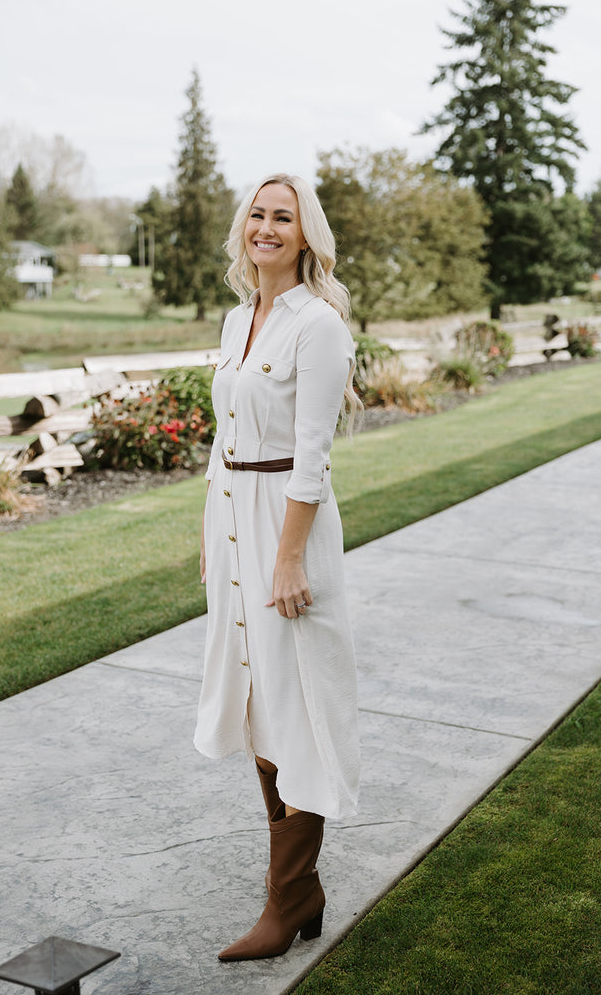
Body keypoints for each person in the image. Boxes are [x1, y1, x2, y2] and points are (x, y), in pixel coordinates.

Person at [194, 172, 360, 961]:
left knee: (296, 704)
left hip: (286, 528)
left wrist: (288, 559)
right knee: (257, 699)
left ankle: (288, 898)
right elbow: (224, 437)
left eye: (282, 217)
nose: (265, 227)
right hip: (236, 526)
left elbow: (312, 457)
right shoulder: (238, 319)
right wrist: (212, 534)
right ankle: (301, 892)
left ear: (304, 235)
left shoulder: (317, 325)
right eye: (256, 214)